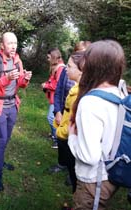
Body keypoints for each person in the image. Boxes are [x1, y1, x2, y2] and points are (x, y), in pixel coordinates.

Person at [68, 40, 126, 210]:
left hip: (93, 180)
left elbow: (89, 156)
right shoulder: (119, 92)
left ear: (94, 66)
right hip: (112, 173)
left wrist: (72, 136)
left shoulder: (90, 103)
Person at [0, 32, 32, 191]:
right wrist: (7, 78)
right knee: (1, 138)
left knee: (6, 138)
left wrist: (25, 78)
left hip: (13, 106)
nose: (13, 46)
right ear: (2, 45)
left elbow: (21, 84)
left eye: (15, 43)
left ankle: (0, 160)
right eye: (10, 43)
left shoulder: (17, 60)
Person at [49, 41, 91, 174]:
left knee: (73, 144)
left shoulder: (89, 85)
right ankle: (62, 164)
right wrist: (57, 111)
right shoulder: (66, 72)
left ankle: (72, 171)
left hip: (74, 121)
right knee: (62, 141)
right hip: (63, 114)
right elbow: (59, 91)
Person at [55, 50, 85, 193]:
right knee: (74, 177)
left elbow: (74, 122)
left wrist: (61, 132)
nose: (66, 68)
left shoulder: (80, 95)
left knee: (75, 178)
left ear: (81, 71)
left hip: (69, 139)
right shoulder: (76, 88)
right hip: (65, 136)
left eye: (70, 66)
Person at [41, 48, 65, 149]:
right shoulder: (55, 67)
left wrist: (46, 86)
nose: (47, 59)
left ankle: (57, 139)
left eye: (48, 57)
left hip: (57, 98)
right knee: (53, 117)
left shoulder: (60, 68)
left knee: (51, 118)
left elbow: (57, 85)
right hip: (53, 97)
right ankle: (54, 135)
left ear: (54, 57)